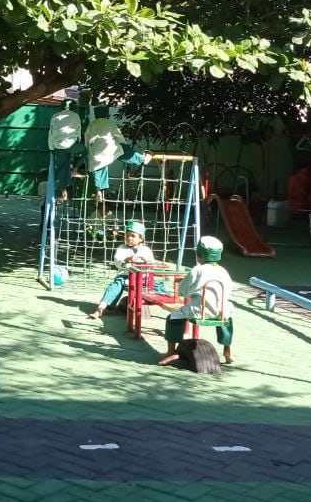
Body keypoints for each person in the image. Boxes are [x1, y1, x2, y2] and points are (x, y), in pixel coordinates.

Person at [160, 236, 234, 365]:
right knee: (227, 319)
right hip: (221, 311)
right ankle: (227, 349)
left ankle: (171, 351)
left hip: (199, 311)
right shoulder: (223, 271)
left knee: (173, 317)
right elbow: (228, 290)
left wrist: (186, 291)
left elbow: (183, 291)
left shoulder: (197, 270)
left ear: (200, 256)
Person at [84, 104, 149, 209]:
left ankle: (99, 191)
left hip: (96, 156)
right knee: (124, 151)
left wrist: (88, 152)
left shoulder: (91, 125)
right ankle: (142, 159)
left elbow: (86, 141)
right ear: (107, 115)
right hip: (110, 152)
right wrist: (125, 146)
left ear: (96, 115)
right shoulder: (110, 124)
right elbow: (120, 138)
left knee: (100, 169)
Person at [88, 221, 154, 320]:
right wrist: (126, 260)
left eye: (133, 236)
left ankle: (171, 305)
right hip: (126, 276)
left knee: (158, 286)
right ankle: (100, 309)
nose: (129, 238)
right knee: (115, 286)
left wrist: (148, 264)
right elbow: (118, 261)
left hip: (143, 278)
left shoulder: (146, 250)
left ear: (141, 238)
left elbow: (151, 263)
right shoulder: (121, 249)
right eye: (127, 236)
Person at [48, 99, 82, 200]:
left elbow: (51, 133)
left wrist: (51, 148)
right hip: (72, 145)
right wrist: (77, 143)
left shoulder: (55, 116)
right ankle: (75, 170)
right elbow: (78, 132)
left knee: (62, 167)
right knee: (84, 152)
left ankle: (63, 192)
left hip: (59, 145)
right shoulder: (76, 116)